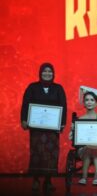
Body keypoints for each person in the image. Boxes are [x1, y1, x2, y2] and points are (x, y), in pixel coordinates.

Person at [20, 63, 67, 192]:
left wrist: (62, 123)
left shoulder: (58, 88)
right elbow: (25, 104)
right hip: (36, 129)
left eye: (50, 71)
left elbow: (63, 106)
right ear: (40, 73)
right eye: (45, 71)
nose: (47, 73)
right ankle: (35, 180)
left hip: (52, 129)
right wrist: (24, 120)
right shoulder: (32, 87)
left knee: (51, 155)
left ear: (53, 74)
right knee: (37, 153)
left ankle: (48, 181)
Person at [69, 91, 97, 186]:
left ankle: (94, 177)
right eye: (86, 100)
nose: (89, 102)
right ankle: (85, 177)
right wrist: (72, 131)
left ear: (96, 103)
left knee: (94, 148)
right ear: (84, 103)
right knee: (88, 148)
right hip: (83, 149)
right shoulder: (79, 120)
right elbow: (73, 139)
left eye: (92, 100)